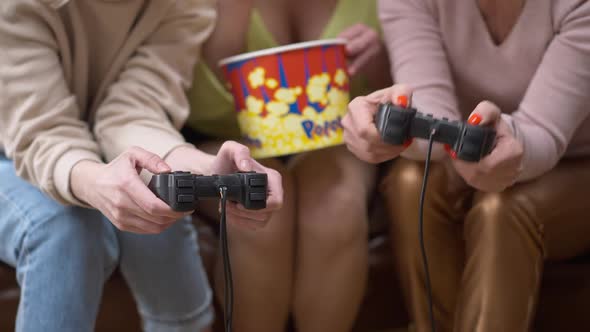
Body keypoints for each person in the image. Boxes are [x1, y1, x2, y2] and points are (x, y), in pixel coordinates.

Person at [0, 1, 284, 331]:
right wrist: (97, 182)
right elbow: (41, 132)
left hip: (98, 148)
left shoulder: (186, 5)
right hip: (11, 150)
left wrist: (208, 170)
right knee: (63, 228)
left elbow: (135, 112)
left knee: (158, 190)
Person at [342, 0, 590, 331]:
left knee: (500, 207)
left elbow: (543, 133)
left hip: (574, 162)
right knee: (411, 181)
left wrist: (505, 142)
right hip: (470, 151)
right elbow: (432, 118)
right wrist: (391, 130)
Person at [184, 0, 391, 330]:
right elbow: (192, 109)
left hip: (335, 140)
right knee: (254, 200)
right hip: (224, 139)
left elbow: (407, 90)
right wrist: (228, 38)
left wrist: (380, 66)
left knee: (335, 203)